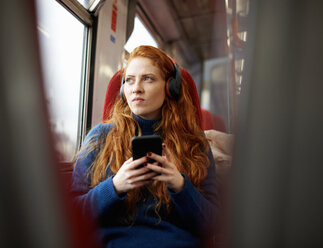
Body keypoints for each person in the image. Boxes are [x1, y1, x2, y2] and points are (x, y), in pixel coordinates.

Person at [71, 45, 219, 248]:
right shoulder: (100, 138)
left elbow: (212, 225)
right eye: (129, 80)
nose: (136, 88)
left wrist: (180, 186)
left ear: (170, 87)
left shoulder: (195, 143)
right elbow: (72, 215)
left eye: (147, 78)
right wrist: (115, 187)